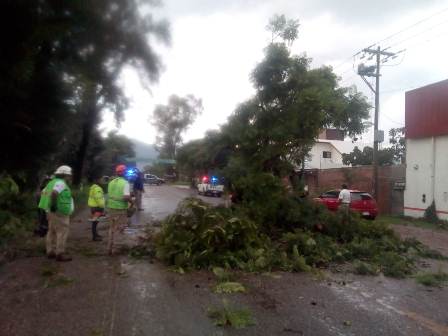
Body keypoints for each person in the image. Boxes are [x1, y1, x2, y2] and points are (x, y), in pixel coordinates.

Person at [38, 165, 74, 262]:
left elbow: (42, 193)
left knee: (51, 231)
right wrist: (54, 205)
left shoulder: (51, 183)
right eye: (68, 175)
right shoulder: (60, 183)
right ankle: (60, 253)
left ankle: (50, 251)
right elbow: (54, 193)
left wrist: (48, 208)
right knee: (62, 232)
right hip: (59, 212)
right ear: (64, 175)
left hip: (50, 211)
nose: (70, 177)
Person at [106, 164, 132, 256]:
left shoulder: (111, 182)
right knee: (119, 229)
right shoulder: (125, 183)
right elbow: (126, 197)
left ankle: (109, 248)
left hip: (111, 208)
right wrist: (131, 201)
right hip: (120, 209)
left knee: (111, 228)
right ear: (124, 173)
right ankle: (115, 249)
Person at [88, 175, 106, 241]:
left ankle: (96, 235)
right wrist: (103, 207)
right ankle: (95, 237)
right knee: (95, 222)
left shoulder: (93, 187)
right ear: (97, 180)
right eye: (101, 179)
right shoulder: (97, 188)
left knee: (95, 222)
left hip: (93, 207)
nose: (102, 180)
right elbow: (99, 199)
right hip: (97, 208)